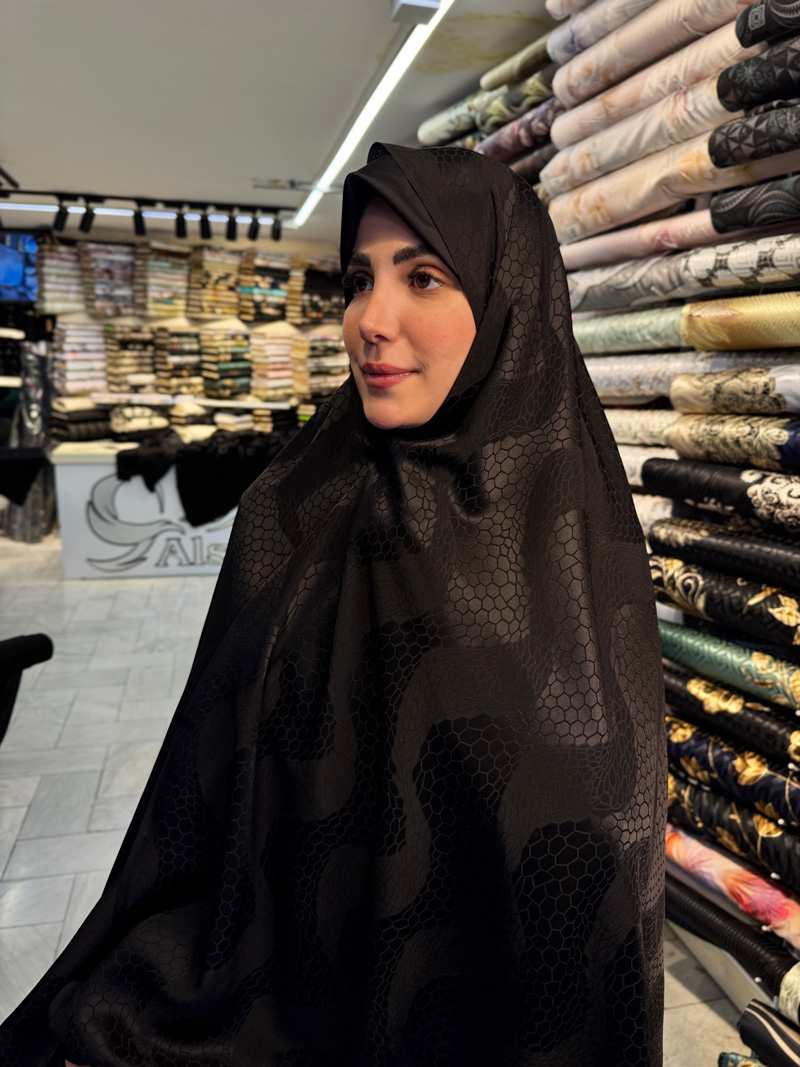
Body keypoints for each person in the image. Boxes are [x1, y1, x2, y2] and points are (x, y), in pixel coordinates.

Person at [1, 142, 665, 1067]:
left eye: (423, 277)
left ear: (508, 299)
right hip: (265, 998)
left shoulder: (569, 542)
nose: (369, 322)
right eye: (358, 281)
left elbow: (597, 877)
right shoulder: (296, 506)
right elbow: (202, 804)